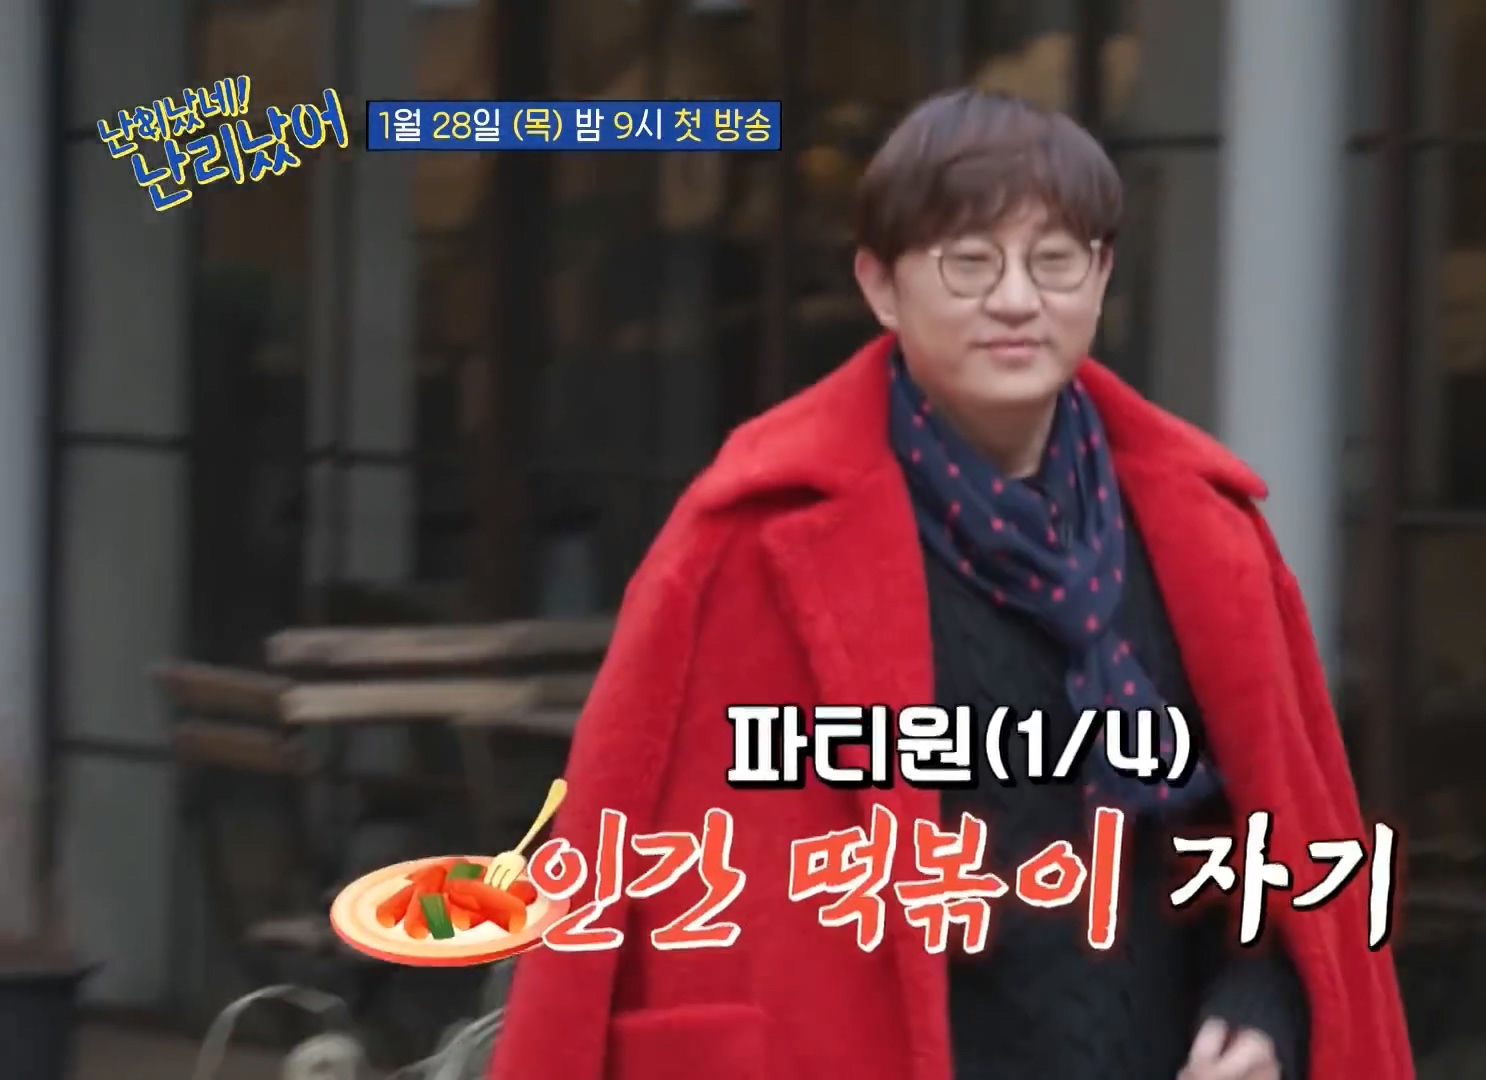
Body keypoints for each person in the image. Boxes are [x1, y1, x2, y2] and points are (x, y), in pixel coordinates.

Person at [488, 89, 1413, 1080]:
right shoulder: (749, 538)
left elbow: (1273, 845)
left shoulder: (1202, 533)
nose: (1015, 299)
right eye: (969, 263)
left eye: (1055, 261)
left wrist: (1263, 1001)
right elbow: (614, 871)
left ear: (1102, 276)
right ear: (881, 286)